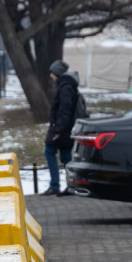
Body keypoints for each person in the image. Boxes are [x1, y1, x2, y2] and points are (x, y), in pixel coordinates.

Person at [43, 59, 80, 195]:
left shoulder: (65, 86)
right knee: (65, 157)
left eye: (52, 73)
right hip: (65, 127)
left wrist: (58, 130)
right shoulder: (66, 85)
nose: (50, 76)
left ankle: (55, 186)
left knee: (49, 151)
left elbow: (65, 109)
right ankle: (73, 186)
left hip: (62, 128)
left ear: (57, 73)